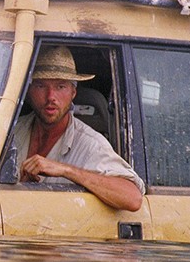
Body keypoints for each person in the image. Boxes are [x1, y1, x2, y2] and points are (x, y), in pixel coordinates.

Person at [15, 46, 145, 211]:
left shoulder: (90, 144)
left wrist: (65, 170)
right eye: (41, 86)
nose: (50, 97)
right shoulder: (10, 132)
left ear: (73, 93)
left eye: (60, 87)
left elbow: (132, 198)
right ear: (28, 91)